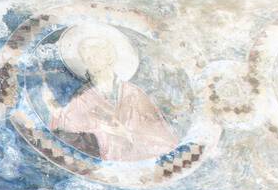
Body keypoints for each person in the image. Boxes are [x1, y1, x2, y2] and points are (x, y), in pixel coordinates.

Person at [42, 24, 178, 162]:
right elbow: (67, 125)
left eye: (95, 54)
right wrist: (54, 110)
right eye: (86, 56)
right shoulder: (83, 96)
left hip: (132, 164)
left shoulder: (134, 94)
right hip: (103, 164)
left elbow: (165, 142)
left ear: (109, 56)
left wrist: (126, 133)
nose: (90, 59)